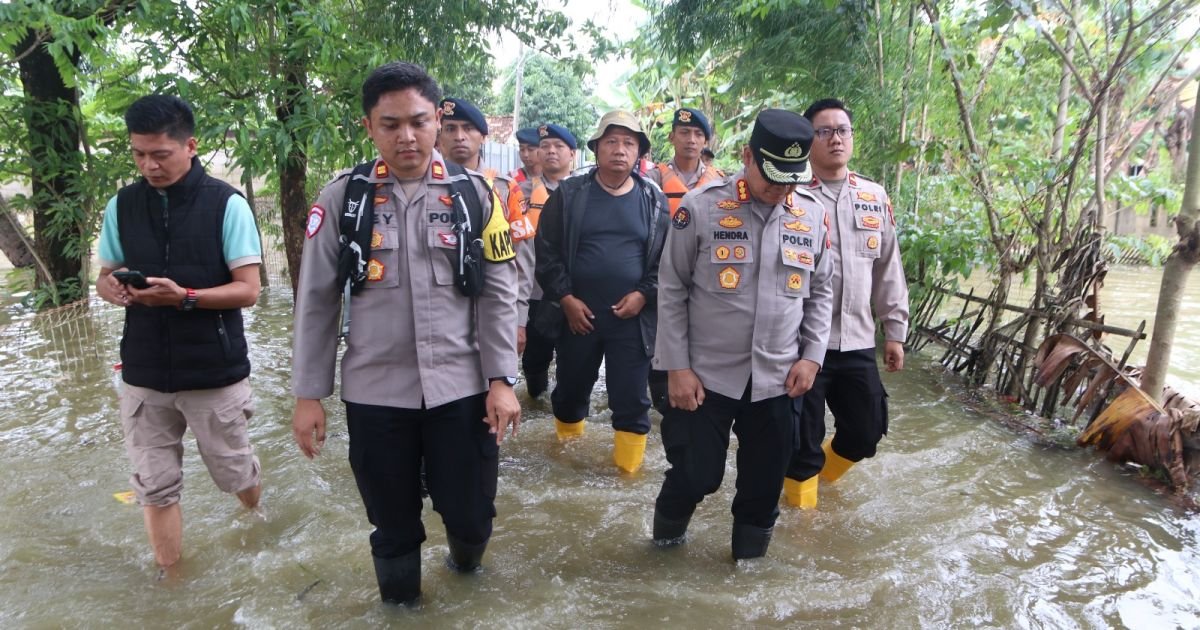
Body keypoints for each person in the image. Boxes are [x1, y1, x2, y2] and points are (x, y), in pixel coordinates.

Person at [290, 62, 520, 606]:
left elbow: (498, 291)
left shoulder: (477, 197)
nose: (406, 136)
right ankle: (403, 613)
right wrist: (308, 396)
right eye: (390, 124)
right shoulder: (344, 200)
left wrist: (501, 379)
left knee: (471, 515)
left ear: (437, 121)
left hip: (462, 391)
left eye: (418, 121)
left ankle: (465, 576)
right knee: (391, 526)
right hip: (376, 393)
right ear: (369, 127)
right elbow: (317, 302)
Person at [651, 108, 833, 561]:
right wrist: (677, 365)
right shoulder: (701, 206)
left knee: (763, 486)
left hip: (777, 377)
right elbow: (672, 288)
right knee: (696, 476)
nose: (781, 189)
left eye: (792, 179)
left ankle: (745, 577)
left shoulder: (811, 216)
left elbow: (822, 292)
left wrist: (812, 357)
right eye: (772, 177)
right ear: (748, 155)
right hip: (705, 375)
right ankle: (661, 551)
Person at [95, 94, 263, 571]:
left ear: (190, 146)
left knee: (235, 473)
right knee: (154, 485)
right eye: (139, 154)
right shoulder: (123, 206)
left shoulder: (226, 205)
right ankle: (171, 582)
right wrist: (114, 289)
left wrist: (186, 297)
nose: (149, 166)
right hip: (144, 372)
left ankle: (255, 511)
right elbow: (105, 274)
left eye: (160, 154)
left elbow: (248, 290)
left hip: (214, 371)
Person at [782, 98, 909, 509]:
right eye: (824, 131)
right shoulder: (789, 197)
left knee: (867, 431)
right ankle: (801, 519)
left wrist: (895, 331)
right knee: (802, 438)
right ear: (808, 140)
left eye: (843, 130)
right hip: (800, 344)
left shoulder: (873, 196)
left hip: (855, 339)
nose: (835, 138)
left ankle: (824, 482)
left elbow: (888, 267)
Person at [535, 111, 669, 474]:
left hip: (632, 320)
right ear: (596, 149)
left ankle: (627, 478)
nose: (620, 150)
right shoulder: (569, 195)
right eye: (611, 142)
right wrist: (565, 299)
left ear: (639, 151)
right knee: (570, 393)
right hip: (579, 317)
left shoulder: (654, 201)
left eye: (629, 143)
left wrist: (644, 293)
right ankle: (565, 464)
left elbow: (666, 261)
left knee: (632, 400)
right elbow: (546, 252)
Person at [644, 107, 726, 414]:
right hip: (660, 279)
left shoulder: (722, 183)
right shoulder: (651, 180)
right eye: (684, 133)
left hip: (706, 279)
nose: (691, 140)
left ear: (705, 140)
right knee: (658, 347)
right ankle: (663, 406)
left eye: (698, 134)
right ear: (672, 137)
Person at [438, 97, 530, 349]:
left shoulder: (505, 188)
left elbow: (521, 260)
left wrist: (519, 319)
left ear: (483, 137)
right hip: (440, 312)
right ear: (438, 137)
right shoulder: (426, 187)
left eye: (468, 128)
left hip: (493, 306)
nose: (459, 136)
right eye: (450, 129)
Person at [520, 123, 579, 398]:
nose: (551, 151)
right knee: (534, 358)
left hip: (577, 293)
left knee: (576, 360)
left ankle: (569, 413)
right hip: (535, 290)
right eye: (545, 146)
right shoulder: (518, 191)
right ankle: (536, 402)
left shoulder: (588, 190)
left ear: (572, 154)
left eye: (558, 146)